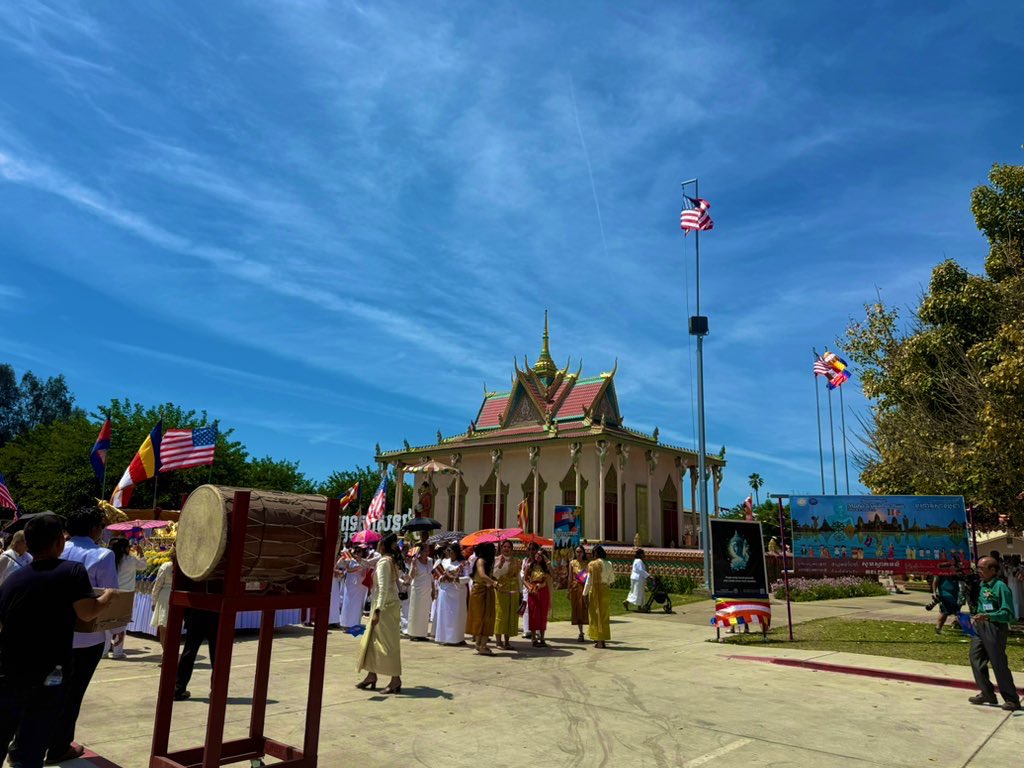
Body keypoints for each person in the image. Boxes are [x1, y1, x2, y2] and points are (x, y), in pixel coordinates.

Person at [0, 513, 115, 768]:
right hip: (49, 670)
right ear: (58, 544)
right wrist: (107, 597)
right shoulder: (71, 571)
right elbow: (87, 611)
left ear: (27, 544)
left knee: (6, 726)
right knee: (34, 734)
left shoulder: (14, 580)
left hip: (9, 670)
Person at [47, 506, 118, 764]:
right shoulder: (103, 555)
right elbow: (111, 595)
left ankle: (40, 738)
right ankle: (59, 745)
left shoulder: (56, 550)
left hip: (53, 635)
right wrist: (117, 631)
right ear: (94, 529)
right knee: (73, 694)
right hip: (87, 638)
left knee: (50, 690)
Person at [968, 556, 1021, 711]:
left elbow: (1009, 614)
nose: (978, 571)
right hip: (981, 626)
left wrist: (990, 616)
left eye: (981, 569)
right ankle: (987, 693)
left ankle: (1012, 699)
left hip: (995, 627)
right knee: (975, 658)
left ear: (993, 570)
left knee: (998, 663)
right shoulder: (983, 585)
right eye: (977, 568)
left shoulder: (1001, 587)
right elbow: (981, 605)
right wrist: (976, 616)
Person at [355, 533, 403, 694]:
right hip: (389, 604)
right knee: (372, 640)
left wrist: (377, 611)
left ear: (382, 546)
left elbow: (382, 589)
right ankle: (371, 674)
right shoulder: (390, 560)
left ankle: (395, 679)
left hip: (385, 607)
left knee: (387, 644)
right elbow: (367, 563)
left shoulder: (384, 562)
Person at [106, 537, 147, 659]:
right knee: (121, 624)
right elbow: (143, 566)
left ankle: (104, 651)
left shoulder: (110, 559)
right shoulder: (131, 560)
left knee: (106, 623)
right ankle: (117, 652)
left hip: (110, 593)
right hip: (126, 595)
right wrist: (141, 552)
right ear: (125, 548)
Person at [174, 609, 220, 701]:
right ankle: (217, 691)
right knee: (217, 654)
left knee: (189, 651)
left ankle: (178, 689)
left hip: (196, 612)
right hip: (215, 613)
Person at [434, 543, 469, 646]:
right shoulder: (444, 562)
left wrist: (455, 578)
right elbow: (436, 574)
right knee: (445, 615)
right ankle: (445, 638)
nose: (449, 553)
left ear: (456, 552)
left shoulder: (463, 563)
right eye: (448, 551)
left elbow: (467, 578)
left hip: (458, 592)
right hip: (445, 591)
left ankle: (457, 638)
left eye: (451, 551)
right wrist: (443, 578)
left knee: (457, 616)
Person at [466, 542, 498, 655]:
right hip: (479, 591)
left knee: (487, 617)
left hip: (486, 590)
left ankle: (480, 643)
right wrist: (494, 582)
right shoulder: (480, 561)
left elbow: (486, 576)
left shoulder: (488, 563)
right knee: (480, 618)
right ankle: (481, 644)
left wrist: (493, 578)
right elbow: (482, 575)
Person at [493, 540, 521, 650]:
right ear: (501, 548)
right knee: (501, 615)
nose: (506, 548)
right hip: (501, 591)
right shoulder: (497, 560)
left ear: (512, 549)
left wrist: (521, 591)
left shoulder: (517, 561)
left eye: (509, 547)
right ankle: (498, 642)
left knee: (511, 614)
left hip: (513, 591)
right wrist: (500, 564)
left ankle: (507, 641)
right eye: (504, 546)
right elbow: (495, 574)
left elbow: (519, 577)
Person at [584, 545, 613, 648]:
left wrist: (584, 594)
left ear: (594, 554)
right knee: (604, 616)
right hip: (605, 591)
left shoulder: (592, 564)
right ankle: (603, 639)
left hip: (595, 591)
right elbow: (612, 579)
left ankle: (599, 640)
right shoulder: (609, 564)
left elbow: (588, 581)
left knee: (595, 616)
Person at [524, 547, 553, 647]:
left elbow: (554, 575)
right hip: (533, 591)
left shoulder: (545, 567)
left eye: (540, 555)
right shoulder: (529, 566)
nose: (538, 556)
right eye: (537, 554)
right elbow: (524, 579)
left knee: (542, 614)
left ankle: (542, 637)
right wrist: (530, 587)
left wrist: (548, 563)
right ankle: (533, 638)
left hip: (543, 591)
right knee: (533, 614)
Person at [406, 543, 434, 641]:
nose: (427, 553)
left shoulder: (430, 561)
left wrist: (433, 589)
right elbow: (411, 576)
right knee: (416, 611)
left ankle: (422, 633)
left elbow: (431, 576)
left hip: (427, 589)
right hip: (417, 589)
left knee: (425, 612)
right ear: (420, 552)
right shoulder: (415, 561)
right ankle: (413, 633)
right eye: (425, 551)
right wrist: (413, 565)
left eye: (428, 551)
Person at [339, 545, 370, 630]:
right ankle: (346, 624)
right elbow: (347, 569)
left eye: (359, 552)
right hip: (350, 585)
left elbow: (365, 572)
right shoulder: (350, 559)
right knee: (348, 604)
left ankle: (355, 624)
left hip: (360, 586)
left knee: (357, 606)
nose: (357, 553)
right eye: (356, 551)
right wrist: (356, 568)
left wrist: (362, 568)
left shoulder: (365, 561)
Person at [150, 557, 174, 650]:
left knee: (163, 628)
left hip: (165, 596)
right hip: (177, 596)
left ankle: (165, 653)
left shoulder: (166, 566)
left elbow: (158, 585)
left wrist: (154, 601)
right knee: (173, 627)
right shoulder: (183, 567)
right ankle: (170, 652)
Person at [930, 571, 964, 635]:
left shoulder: (956, 569)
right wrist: (934, 592)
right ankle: (938, 628)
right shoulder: (940, 569)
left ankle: (940, 628)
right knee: (945, 611)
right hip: (945, 593)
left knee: (956, 611)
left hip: (955, 593)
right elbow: (935, 580)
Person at [568, 545, 589, 642]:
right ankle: (581, 632)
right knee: (577, 609)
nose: (578, 553)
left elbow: (588, 577)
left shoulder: (587, 564)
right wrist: (569, 589)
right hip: (575, 589)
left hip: (584, 588)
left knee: (585, 608)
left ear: (583, 553)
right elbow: (570, 577)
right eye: (577, 551)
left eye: (580, 551)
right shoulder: (572, 563)